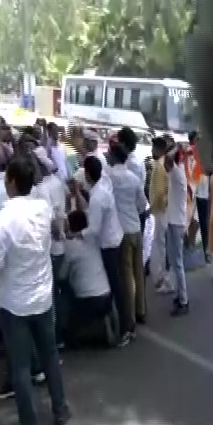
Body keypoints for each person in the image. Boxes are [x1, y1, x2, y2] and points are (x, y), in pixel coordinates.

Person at [0, 153, 70, 425]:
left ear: (12, 182)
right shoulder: (43, 208)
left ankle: (29, 424)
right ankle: (60, 408)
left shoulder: (3, 220)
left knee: (21, 365)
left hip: (15, 303)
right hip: (42, 297)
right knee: (49, 354)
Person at [73, 155, 128, 346]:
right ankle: (123, 325)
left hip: (108, 245)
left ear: (88, 175)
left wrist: (76, 235)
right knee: (118, 285)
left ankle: (123, 329)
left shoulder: (96, 197)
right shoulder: (103, 188)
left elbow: (93, 230)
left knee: (115, 286)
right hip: (115, 238)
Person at [108, 142, 148, 338]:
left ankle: (129, 319)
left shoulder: (109, 177)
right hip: (136, 228)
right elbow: (142, 204)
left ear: (115, 157)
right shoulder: (133, 178)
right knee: (138, 272)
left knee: (127, 278)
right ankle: (141, 310)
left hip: (121, 231)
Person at [58, 210, 113, 344]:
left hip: (86, 300)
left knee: (64, 288)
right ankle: (106, 320)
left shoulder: (70, 247)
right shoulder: (93, 241)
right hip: (106, 294)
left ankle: (64, 331)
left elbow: (62, 275)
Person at [32, 153, 68, 349]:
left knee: (51, 296)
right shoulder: (57, 182)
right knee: (60, 293)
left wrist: (57, 230)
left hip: (51, 248)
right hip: (61, 247)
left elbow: (52, 219)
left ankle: (55, 338)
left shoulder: (41, 189)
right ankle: (61, 335)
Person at [164, 144, 189, 315]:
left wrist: (177, 148)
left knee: (178, 263)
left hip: (176, 222)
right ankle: (181, 295)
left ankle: (183, 300)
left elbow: (167, 160)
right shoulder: (179, 172)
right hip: (175, 221)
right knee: (175, 261)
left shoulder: (177, 173)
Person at [148, 137, 173, 294]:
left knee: (161, 246)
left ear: (159, 149)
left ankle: (165, 279)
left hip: (160, 210)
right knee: (163, 245)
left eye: (154, 148)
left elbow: (158, 192)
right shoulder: (167, 164)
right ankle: (165, 277)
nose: (152, 151)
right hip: (166, 209)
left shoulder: (159, 165)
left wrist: (151, 208)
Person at [192, 131, 212, 264]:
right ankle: (192, 247)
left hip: (204, 194)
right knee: (192, 222)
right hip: (194, 194)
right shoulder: (193, 156)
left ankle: (207, 251)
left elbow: (210, 171)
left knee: (205, 224)